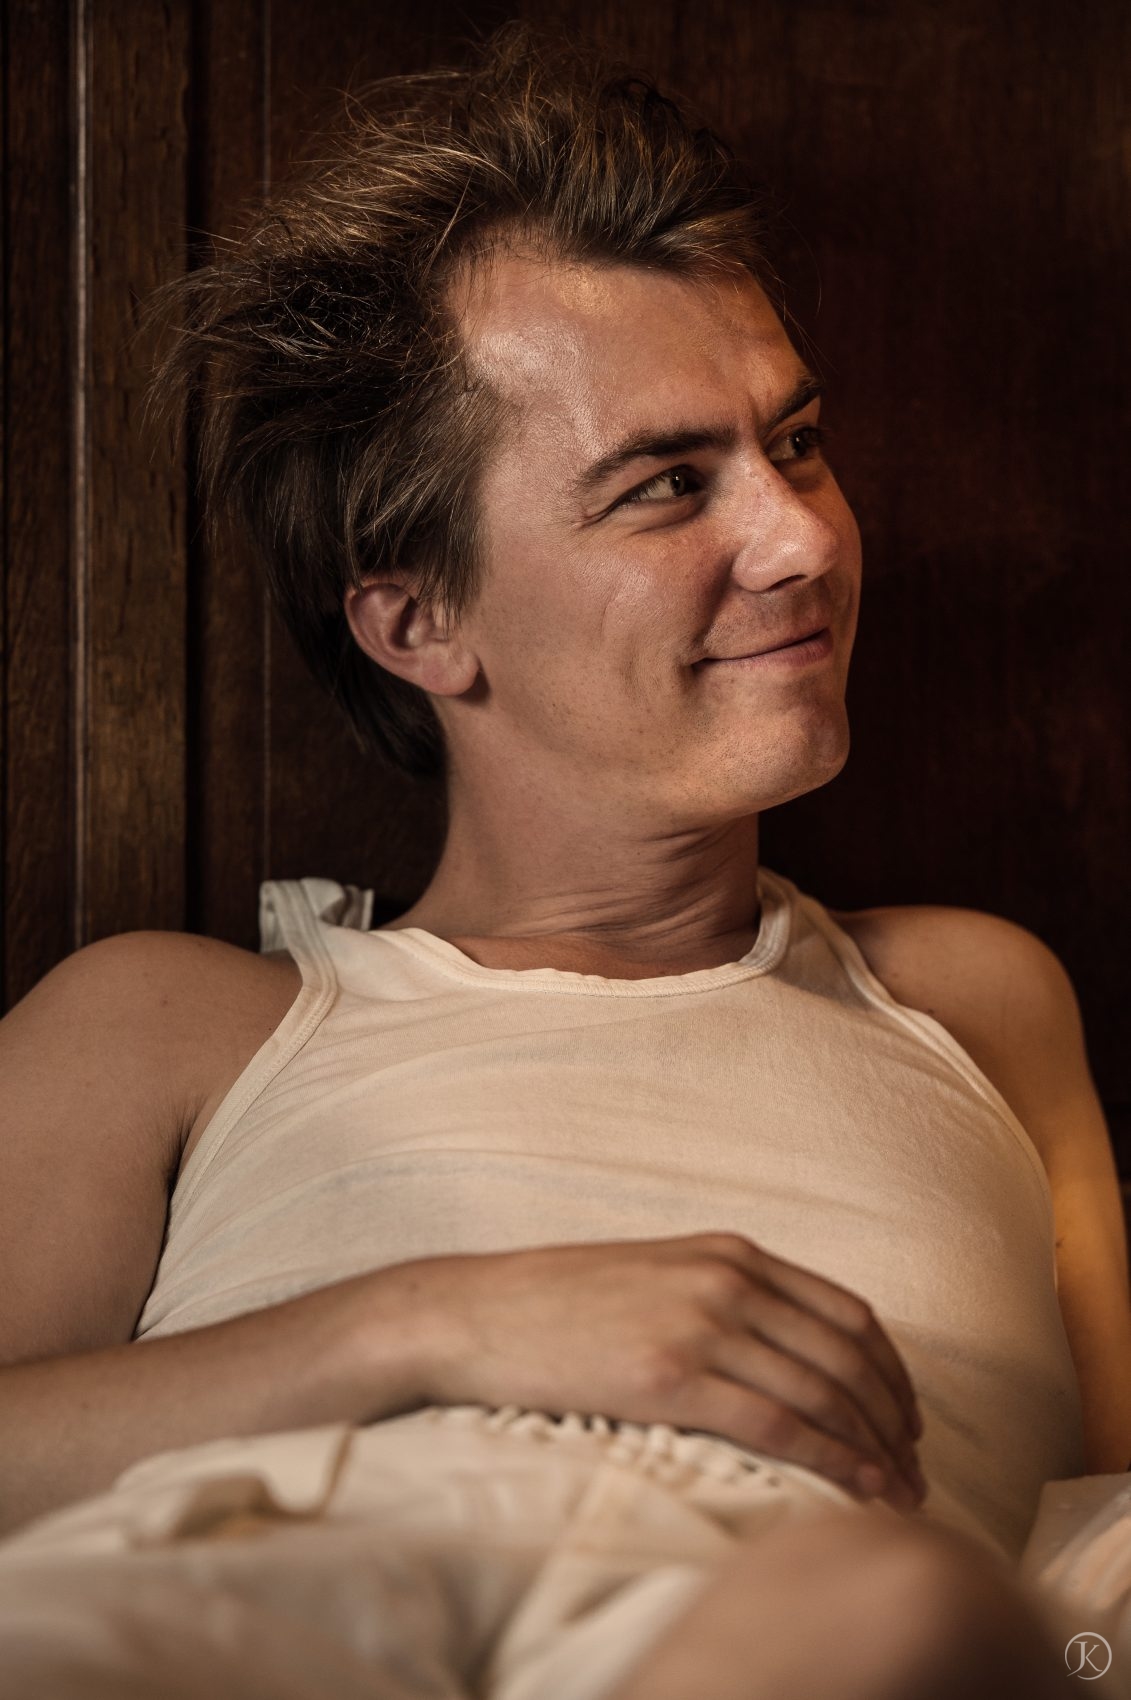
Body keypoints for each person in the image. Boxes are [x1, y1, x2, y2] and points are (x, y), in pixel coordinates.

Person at [1, 19, 1128, 1699]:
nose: (804, 539)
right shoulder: (169, 1026)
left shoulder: (973, 1004)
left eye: (797, 441)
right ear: (416, 620)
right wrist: (433, 1322)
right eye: (667, 486)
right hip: (232, 1598)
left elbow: (1100, 1530)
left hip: (787, 1628)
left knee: (892, 1610)